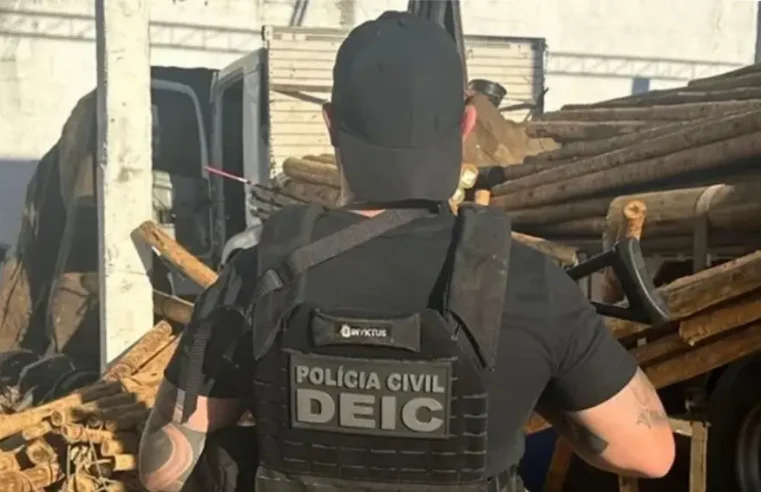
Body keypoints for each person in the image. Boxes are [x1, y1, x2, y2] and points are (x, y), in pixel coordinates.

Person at [138, 11, 675, 492]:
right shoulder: (528, 283)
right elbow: (649, 455)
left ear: (331, 124)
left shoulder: (259, 275)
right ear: (466, 124)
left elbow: (163, 469)